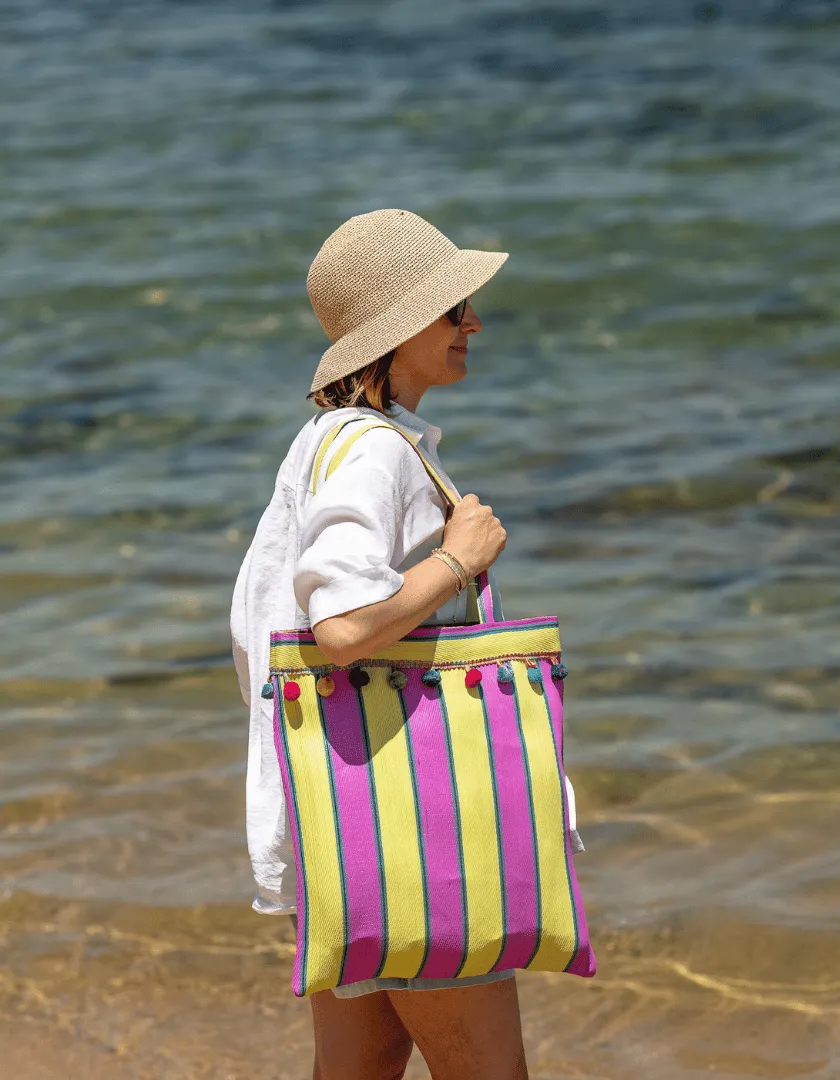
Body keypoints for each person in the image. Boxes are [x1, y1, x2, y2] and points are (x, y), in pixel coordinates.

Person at [229, 209, 582, 1080]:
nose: (473, 324)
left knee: (361, 1065)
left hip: (343, 817)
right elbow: (342, 625)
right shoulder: (376, 455)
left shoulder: (320, 444)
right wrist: (459, 560)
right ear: (393, 333)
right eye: (452, 308)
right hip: (414, 833)